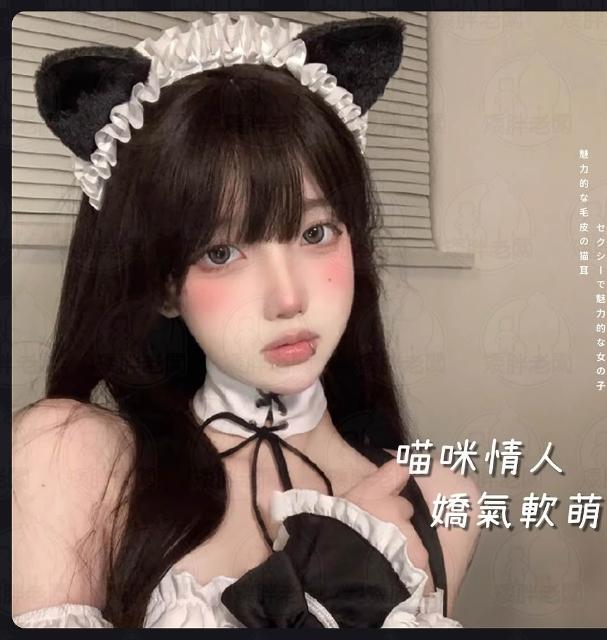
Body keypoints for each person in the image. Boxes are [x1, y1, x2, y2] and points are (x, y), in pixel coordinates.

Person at [12, 13, 480, 628]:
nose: (288, 299)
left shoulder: (440, 500)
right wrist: (337, 576)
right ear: (165, 285)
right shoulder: (72, 457)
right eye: (221, 252)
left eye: (316, 232)